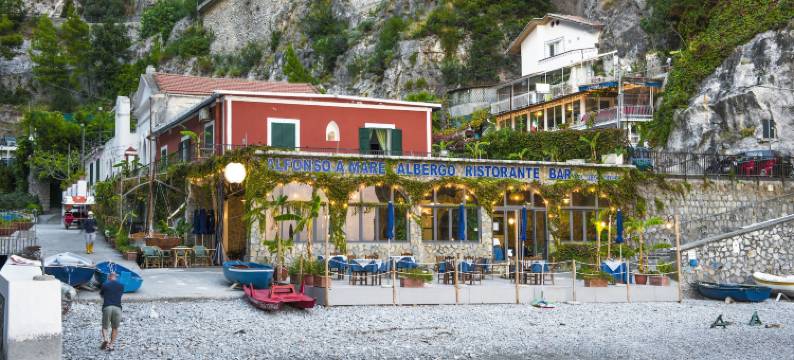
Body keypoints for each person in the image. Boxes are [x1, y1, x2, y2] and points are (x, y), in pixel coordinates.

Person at [99, 272, 124, 351]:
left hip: (107, 307)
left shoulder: (105, 284)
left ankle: (106, 339)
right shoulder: (121, 285)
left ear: (109, 277)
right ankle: (111, 345)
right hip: (117, 308)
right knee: (115, 328)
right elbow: (120, 295)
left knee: (105, 327)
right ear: (116, 277)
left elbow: (101, 295)